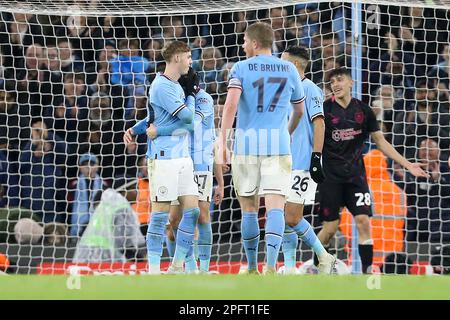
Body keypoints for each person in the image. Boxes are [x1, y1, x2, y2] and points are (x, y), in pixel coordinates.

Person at [316, 67, 428, 274]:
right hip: (331, 178)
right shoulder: (324, 110)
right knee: (330, 229)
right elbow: (315, 142)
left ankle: (367, 273)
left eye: (340, 80)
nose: (336, 85)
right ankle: (315, 265)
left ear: (351, 83)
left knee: (363, 221)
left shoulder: (364, 111)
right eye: (332, 82)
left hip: (356, 178)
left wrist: (408, 164)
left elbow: (380, 142)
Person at [219, 22, 306, 274]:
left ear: (255, 43)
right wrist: (286, 132)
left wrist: (223, 141)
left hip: (247, 145)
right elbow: (299, 110)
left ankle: (252, 266)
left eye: (245, 40)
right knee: (275, 206)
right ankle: (270, 266)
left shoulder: (240, 68)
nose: (243, 45)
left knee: (249, 208)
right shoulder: (289, 68)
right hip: (277, 145)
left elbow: (231, 105)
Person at [123, 40, 198, 274]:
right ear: (177, 57)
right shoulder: (163, 86)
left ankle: (178, 265)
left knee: (193, 212)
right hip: (164, 157)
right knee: (159, 216)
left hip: (182, 157)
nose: (190, 62)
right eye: (188, 57)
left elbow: (154, 118)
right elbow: (188, 120)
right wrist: (193, 95)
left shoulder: (173, 85)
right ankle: (154, 271)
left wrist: (134, 130)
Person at [147, 67, 224, 273]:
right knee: (172, 221)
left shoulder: (204, 99)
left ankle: (202, 269)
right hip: (177, 160)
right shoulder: (177, 98)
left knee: (201, 216)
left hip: (199, 162)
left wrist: (220, 182)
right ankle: (182, 266)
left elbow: (191, 125)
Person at [279, 45, 335, 274]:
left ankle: (324, 256)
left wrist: (316, 158)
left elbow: (319, 123)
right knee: (283, 217)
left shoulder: (309, 89)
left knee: (292, 216)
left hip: (302, 163)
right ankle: (290, 268)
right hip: (283, 161)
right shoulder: (284, 91)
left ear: (293, 66)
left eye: (282, 63)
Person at [73, 177, 146, 263]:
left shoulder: (105, 208)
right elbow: (124, 242)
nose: (137, 192)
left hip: (84, 253)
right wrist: (140, 259)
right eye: (134, 188)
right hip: (104, 254)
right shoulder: (121, 207)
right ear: (124, 191)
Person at [70, 153, 105, 238]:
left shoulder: (105, 185)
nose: (88, 167)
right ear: (80, 167)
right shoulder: (72, 185)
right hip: (77, 228)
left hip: (100, 228)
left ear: (97, 167)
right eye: (85, 164)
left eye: (92, 164)